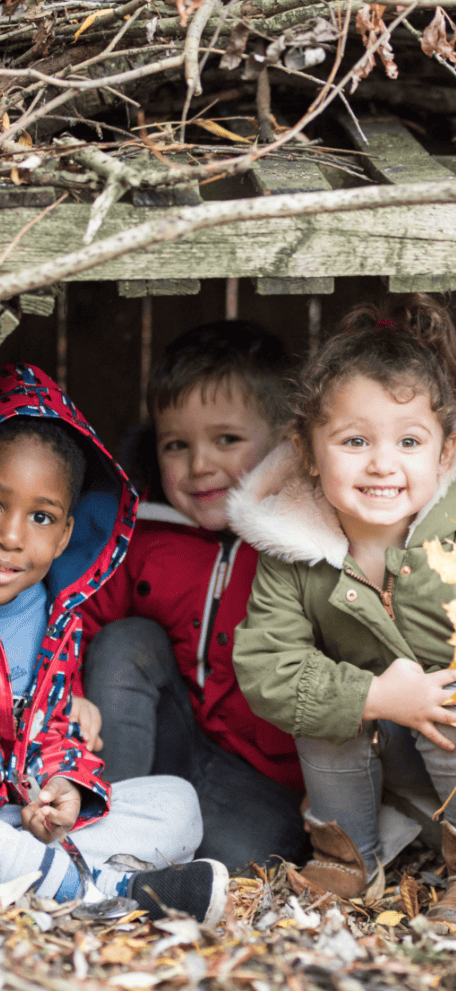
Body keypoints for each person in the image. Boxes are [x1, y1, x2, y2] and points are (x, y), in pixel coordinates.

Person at [228, 295, 456, 929]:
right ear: (309, 452)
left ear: (445, 455)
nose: (383, 463)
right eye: (354, 440)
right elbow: (265, 665)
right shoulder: (290, 553)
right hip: (374, 767)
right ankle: (345, 858)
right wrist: (376, 696)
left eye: (409, 441)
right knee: (325, 698)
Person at [0, 362, 228, 924]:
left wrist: (63, 786)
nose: (10, 536)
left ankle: (43, 878)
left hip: (14, 822)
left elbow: (47, 732)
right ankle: (107, 893)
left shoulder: (54, 620)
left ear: (65, 536)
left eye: (40, 516)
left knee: (177, 805)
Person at [77, 321, 306, 872]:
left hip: (263, 779)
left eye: (226, 440)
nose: (199, 465)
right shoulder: (146, 531)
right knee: (127, 638)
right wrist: (64, 695)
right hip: (164, 745)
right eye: (177, 445)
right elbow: (80, 616)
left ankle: (151, 859)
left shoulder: (304, 539)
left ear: (284, 440)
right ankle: (112, 832)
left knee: (234, 864)